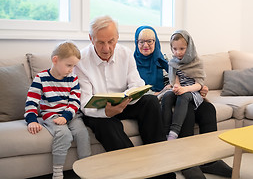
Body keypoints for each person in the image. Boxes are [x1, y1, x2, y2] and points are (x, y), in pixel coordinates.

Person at [74, 16, 175, 179]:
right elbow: (84, 103)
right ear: (91, 39)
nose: (106, 48)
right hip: (99, 111)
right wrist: (107, 112)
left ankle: (161, 167)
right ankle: (137, 171)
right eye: (100, 42)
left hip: (125, 102)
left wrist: (129, 97)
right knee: (106, 126)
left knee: (150, 102)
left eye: (111, 41)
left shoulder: (126, 54)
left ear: (118, 38)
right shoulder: (81, 61)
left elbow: (137, 83)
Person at [134, 26, 232, 178]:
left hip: (182, 94)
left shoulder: (165, 60)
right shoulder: (132, 64)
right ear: (136, 42)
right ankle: (187, 161)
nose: (145, 45)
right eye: (141, 42)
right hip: (161, 100)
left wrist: (201, 90)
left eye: (149, 41)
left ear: (156, 42)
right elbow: (137, 90)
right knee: (188, 114)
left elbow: (180, 79)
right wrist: (163, 91)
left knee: (208, 110)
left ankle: (210, 160)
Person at [24, 41, 91, 179]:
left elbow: (75, 101)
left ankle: (86, 165)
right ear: (55, 60)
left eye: (74, 66)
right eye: (69, 65)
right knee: (64, 135)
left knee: (82, 133)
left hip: (70, 115)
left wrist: (66, 117)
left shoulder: (72, 78)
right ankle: (58, 172)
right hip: (51, 115)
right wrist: (31, 120)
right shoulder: (41, 78)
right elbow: (31, 101)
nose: (71, 70)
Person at [162, 30, 205, 141]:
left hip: (193, 91)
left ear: (189, 47)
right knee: (166, 96)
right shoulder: (173, 62)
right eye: (174, 49)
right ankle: (165, 132)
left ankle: (173, 133)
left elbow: (199, 85)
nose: (178, 52)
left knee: (184, 96)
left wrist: (184, 89)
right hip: (181, 89)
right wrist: (176, 86)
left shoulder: (197, 62)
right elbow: (175, 79)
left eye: (182, 49)